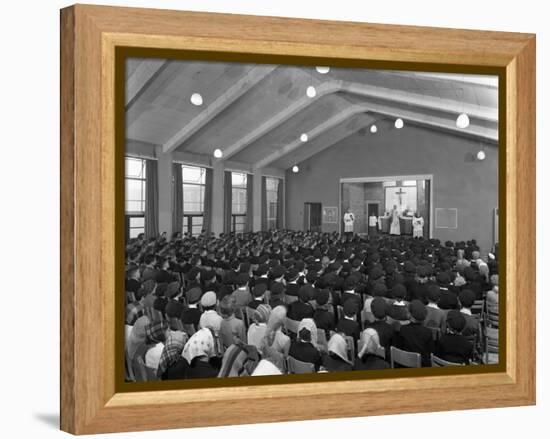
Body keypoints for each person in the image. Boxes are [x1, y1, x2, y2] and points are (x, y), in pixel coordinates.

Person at [395, 300, 435, 367]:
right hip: (422, 367)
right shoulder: (427, 332)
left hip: (405, 365)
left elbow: (399, 349)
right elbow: (431, 352)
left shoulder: (403, 329)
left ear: (410, 315)